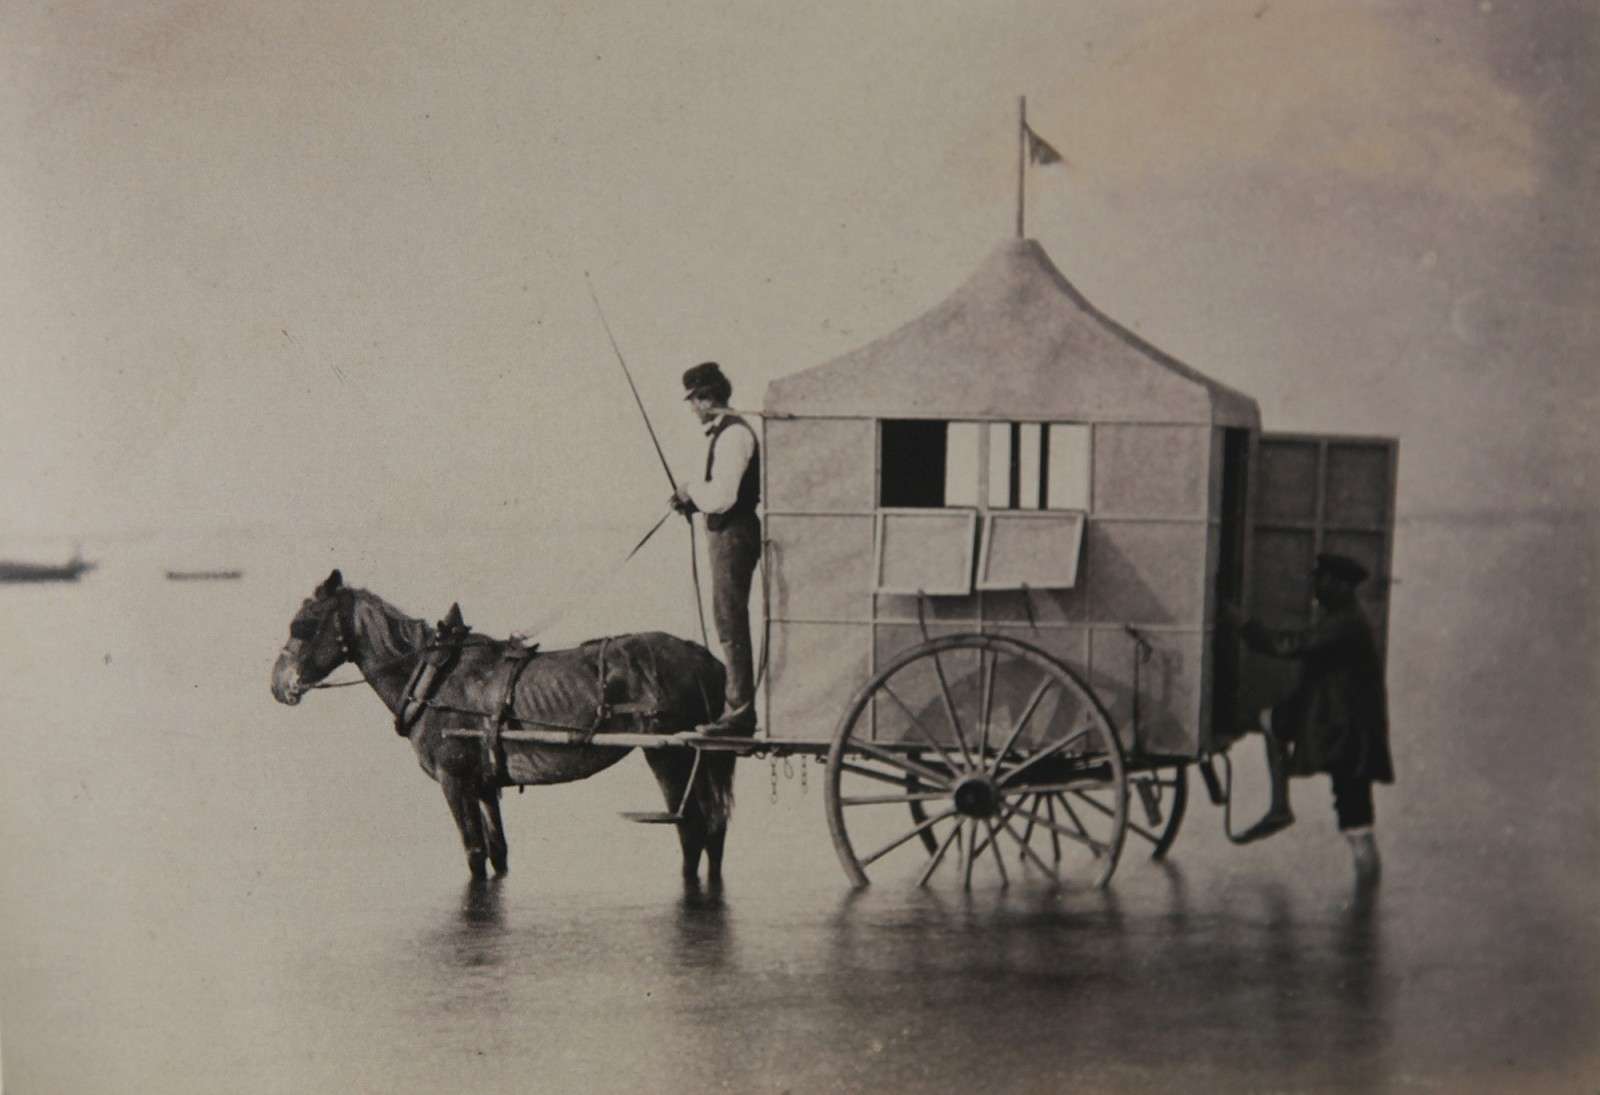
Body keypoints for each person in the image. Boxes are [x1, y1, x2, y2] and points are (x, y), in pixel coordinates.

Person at [1223, 553, 1394, 878]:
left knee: (1355, 815)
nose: (1316, 586)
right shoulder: (1344, 617)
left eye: (1322, 580)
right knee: (1353, 811)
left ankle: (1365, 891)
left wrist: (1242, 624)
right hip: (1344, 724)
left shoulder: (1343, 623)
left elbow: (1288, 646)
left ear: (1341, 585)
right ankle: (1362, 912)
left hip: (1346, 730)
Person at [671, 361, 761, 736]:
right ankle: (734, 703)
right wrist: (691, 500)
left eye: (695, 400)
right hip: (725, 534)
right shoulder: (722, 433)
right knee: (726, 618)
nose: (693, 408)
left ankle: (739, 711)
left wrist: (692, 491)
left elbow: (724, 497)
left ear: (707, 398)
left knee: (729, 620)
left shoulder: (733, 435)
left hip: (734, 535)